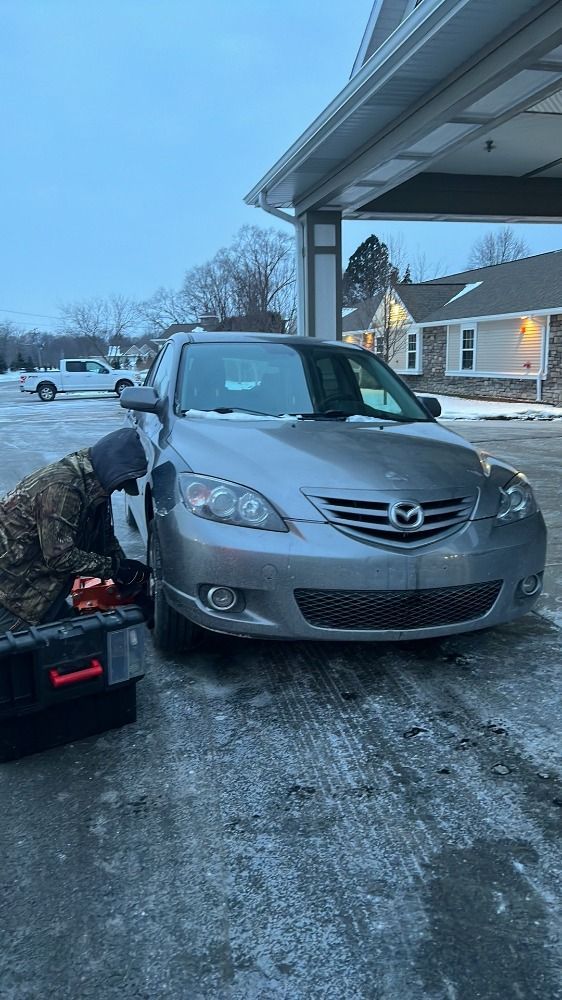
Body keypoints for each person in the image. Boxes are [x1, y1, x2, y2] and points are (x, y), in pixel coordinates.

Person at [0, 427, 150, 633]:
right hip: (14, 595)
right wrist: (115, 568)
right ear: (111, 471)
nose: (121, 490)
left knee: (66, 647)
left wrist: (131, 582)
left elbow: (104, 540)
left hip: (40, 587)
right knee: (19, 657)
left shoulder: (94, 484)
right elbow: (60, 557)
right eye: (121, 484)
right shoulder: (63, 489)